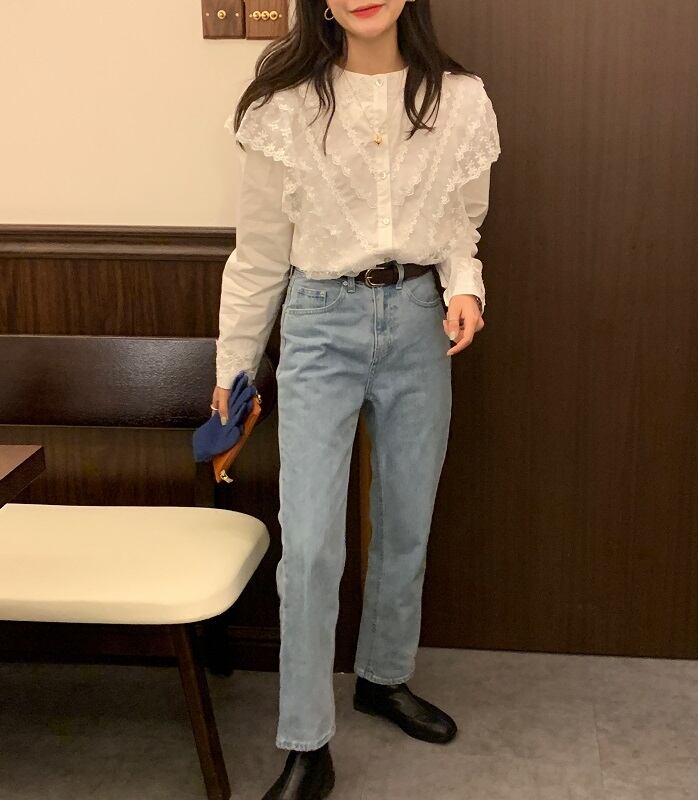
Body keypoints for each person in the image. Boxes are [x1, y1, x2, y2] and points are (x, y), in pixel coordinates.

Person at [211, 1, 500, 797]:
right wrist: (234, 370)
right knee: (309, 546)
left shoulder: (460, 99)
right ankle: (307, 741)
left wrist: (466, 287)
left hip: (418, 324)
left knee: (406, 520)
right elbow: (258, 255)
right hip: (318, 323)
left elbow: (461, 225)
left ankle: (383, 675)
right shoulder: (283, 106)